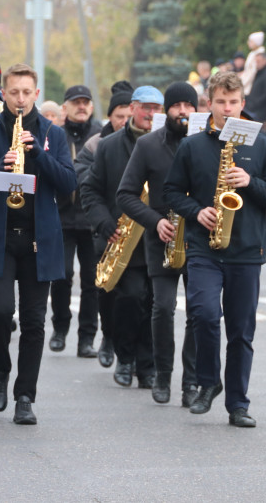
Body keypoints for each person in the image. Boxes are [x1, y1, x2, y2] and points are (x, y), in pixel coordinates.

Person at [163, 71, 266, 428]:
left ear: (243, 104)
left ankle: (238, 404)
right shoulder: (192, 145)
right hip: (204, 245)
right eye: (220, 102)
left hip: (247, 249)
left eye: (233, 102)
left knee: (241, 331)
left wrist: (250, 182)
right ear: (209, 104)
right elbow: (171, 192)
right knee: (202, 312)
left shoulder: (262, 145)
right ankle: (207, 381)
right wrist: (195, 210)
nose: (227, 109)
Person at [0, 63, 76, 425]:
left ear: (36, 94)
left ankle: (25, 395)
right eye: (14, 92)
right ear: (3, 94)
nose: (20, 99)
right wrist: (1, 167)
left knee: (33, 322)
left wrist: (38, 157)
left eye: (27, 93)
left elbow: (68, 184)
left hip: (38, 240)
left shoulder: (53, 135)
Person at [117, 82, 200, 407]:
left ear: (196, 109)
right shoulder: (149, 144)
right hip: (161, 238)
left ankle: (190, 382)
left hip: (198, 238)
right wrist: (155, 221)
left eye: (188, 105)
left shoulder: (206, 141)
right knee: (163, 307)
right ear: (167, 110)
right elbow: (125, 194)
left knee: (199, 312)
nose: (182, 111)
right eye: (176, 105)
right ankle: (162, 375)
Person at [82, 86, 162, 390]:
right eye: (146, 108)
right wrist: (103, 223)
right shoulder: (109, 146)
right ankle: (126, 358)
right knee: (130, 299)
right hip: (122, 240)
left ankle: (148, 366)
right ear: (133, 108)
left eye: (157, 109)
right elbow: (90, 190)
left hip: (156, 238)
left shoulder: (170, 144)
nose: (151, 115)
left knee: (154, 304)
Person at [50, 84, 102, 358]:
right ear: (65, 107)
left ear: (92, 107)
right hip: (62, 216)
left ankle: (87, 338)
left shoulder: (101, 135)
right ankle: (60, 329)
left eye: (86, 102)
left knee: (92, 281)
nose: (81, 107)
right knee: (62, 275)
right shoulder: (55, 134)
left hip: (92, 218)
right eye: (76, 102)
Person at [244, 51, 266, 124]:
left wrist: (254, 103)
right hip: (251, 107)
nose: (256, 64)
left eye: (258, 61)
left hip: (260, 111)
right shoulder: (256, 73)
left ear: (265, 61)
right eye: (256, 61)